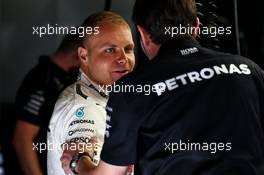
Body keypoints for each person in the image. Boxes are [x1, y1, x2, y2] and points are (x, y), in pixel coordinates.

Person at [61, 0, 264, 174]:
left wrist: (78, 160)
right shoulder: (250, 70)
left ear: (142, 33)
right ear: (196, 27)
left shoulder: (131, 89)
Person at [47, 11, 135, 175]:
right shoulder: (85, 106)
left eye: (128, 49)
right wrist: (77, 163)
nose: (123, 58)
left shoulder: (104, 97)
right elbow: (76, 161)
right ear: (83, 55)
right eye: (110, 50)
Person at [12, 33, 81, 175]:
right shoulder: (42, 80)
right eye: (85, 57)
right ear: (77, 54)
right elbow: (22, 140)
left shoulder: (63, 80)